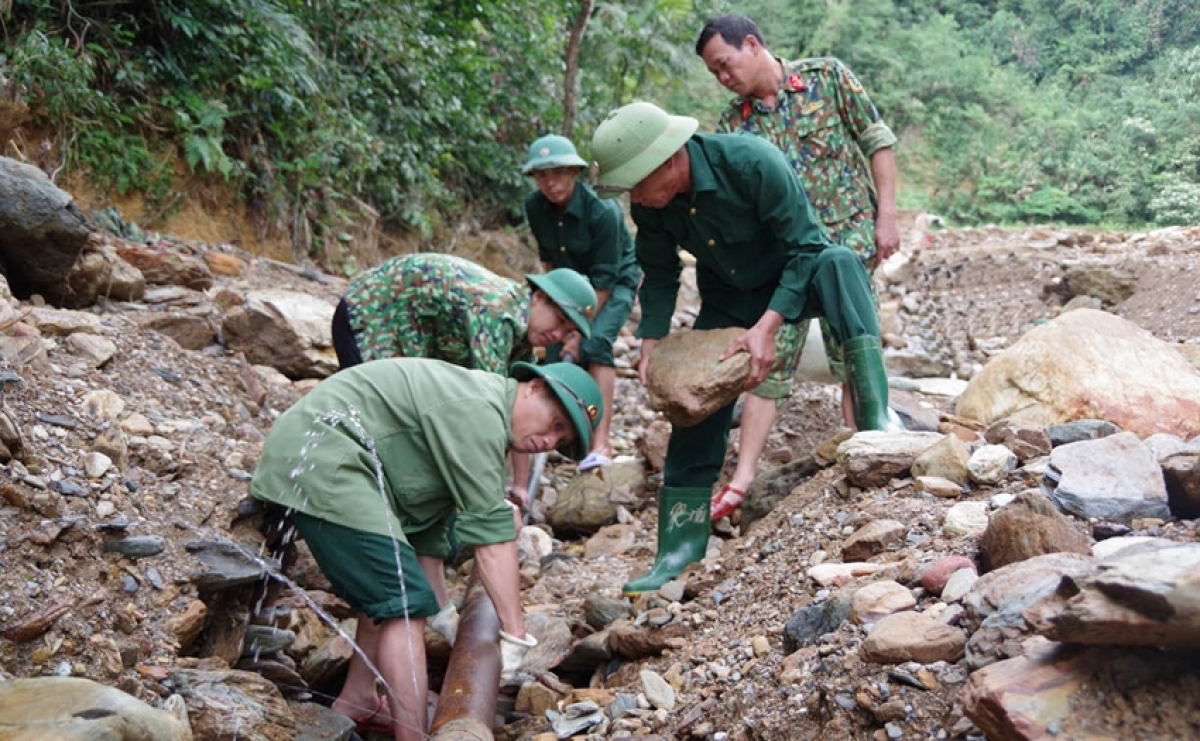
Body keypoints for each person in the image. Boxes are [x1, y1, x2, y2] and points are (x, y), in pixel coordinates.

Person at [591, 100, 899, 594]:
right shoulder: (650, 204)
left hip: (796, 278)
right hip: (729, 300)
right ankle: (680, 546)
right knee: (696, 401)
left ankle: (876, 416)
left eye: (636, 186)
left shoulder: (752, 162)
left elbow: (805, 246)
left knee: (841, 263)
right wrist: (652, 339)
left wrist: (770, 326)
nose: (637, 199)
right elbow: (662, 270)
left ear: (668, 160)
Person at [250, 357, 603, 741]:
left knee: (392, 584)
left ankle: (360, 697)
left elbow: (425, 533)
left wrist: (445, 613)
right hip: (322, 454)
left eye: (561, 439)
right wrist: (516, 635)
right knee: (403, 604)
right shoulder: (478, 413)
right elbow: (492, 542)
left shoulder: (483, 414)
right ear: (533, 386)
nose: (549, 441)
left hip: (324, 452)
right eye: (554, 423)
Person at [696, 13, 901, 437]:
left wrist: (887, 216)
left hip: (849, 245)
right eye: (714, 71)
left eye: (724, 63)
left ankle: (869, 450)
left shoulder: (828, 79)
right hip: (787, 263)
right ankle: (741, 481)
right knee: (767, 361)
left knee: (854, 353)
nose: (722, 77)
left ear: (752, 45)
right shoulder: (733, 126)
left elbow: (876, 141)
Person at [331, 252, 597, 504]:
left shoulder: (521, 339)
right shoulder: (497, 313)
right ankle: (337, 487)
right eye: (560, 320)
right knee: (377, 416)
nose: (559, 335)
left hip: (413, 334)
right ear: (538, 297)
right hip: (373, 312)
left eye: (568, 331)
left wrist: (518, 485)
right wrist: (488, 500)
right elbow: (488, 413)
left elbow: (518, 411)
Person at [522, 134, 643, 471]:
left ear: (575, 173)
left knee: (596, 344)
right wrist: (555, 316)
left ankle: (600, 441)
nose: (551, 182)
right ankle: (553, 433)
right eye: (543, 175)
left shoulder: (603, 211)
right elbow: (549, 263)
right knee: (552, 351)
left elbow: (604, 279)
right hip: (566, 286)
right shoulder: (535, 207)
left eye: (559, 173)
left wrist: (577, 330)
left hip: (613, 281)